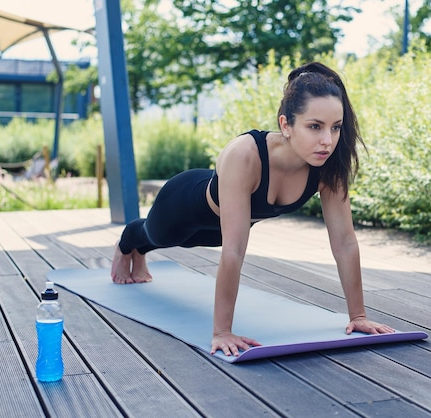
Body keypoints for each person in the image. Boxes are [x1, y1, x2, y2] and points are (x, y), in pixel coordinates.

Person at [111, 61, 396, 357]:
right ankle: (128, 244)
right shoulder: (245, 154)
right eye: (315, 126)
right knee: (156, 236)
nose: (328, 140)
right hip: (182, 206)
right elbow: (234, 250)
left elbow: (345, 242)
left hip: (224, 229)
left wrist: (358, 316)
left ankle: (139, 252)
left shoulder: (328, 166)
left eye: (335, 127)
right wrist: (222, 332)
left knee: (198, 240)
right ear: (286, 124)